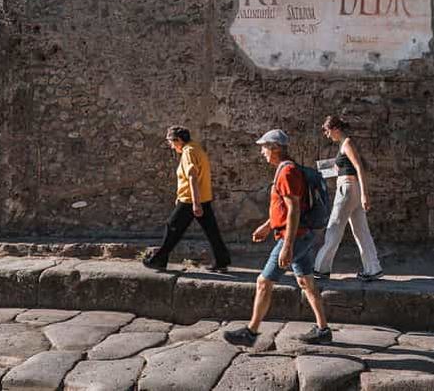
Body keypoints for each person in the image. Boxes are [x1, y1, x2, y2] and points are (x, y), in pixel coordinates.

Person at [223, 129, 332, 346]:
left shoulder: (287, 172)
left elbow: (294, 210)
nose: (262, 152)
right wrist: (267, 226)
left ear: (275, 148)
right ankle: (323, 330)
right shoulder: (287, 169)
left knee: (264, 281)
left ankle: (251, 332)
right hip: (301, 234)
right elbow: (284, 208)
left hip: (294, 237)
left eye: (264, 147)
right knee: (306, 281)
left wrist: (287, 246)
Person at [142, 125, 231, 272]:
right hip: (202, 198)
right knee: (211, 231)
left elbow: (192, 177)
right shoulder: (195, 147)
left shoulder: (188, 152)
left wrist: (195, 204)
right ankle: (222, 260)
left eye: (172, 142)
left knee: (172, 227)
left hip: (190, 200)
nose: (171, 146)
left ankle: (158, 259)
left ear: (179, 140)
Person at [313, 115, 383, 281]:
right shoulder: (343, 145)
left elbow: (359, 167)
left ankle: (320, 269)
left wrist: (365, 194)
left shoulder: (347, 143)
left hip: (348, 189)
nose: (326, 134)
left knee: (334, 228)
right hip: (352, 189)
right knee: (361, 231)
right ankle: (373, 269)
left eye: (327, 130)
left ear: (336, 129)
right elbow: (348, 167)